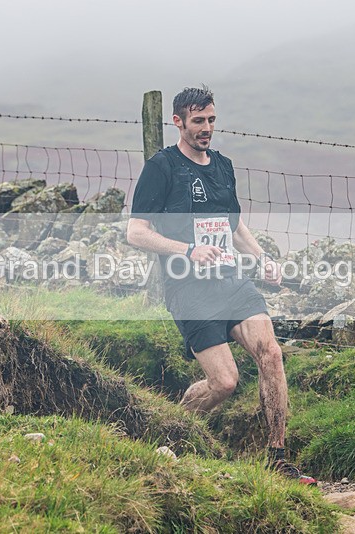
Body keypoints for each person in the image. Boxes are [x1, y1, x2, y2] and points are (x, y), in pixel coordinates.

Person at [126, 86, 315, 485]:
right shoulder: (161, 167)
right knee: (224, 383)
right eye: (198, 121)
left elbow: (234, 225)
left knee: (271, 354)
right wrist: (187, 249)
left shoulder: (223, 166)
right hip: (188, 290)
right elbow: (136, 232)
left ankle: (278, 458)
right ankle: (169, 429)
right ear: (178, 122)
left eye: (211, 120)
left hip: (231, 281)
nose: (207, 128)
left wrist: (262, 258)